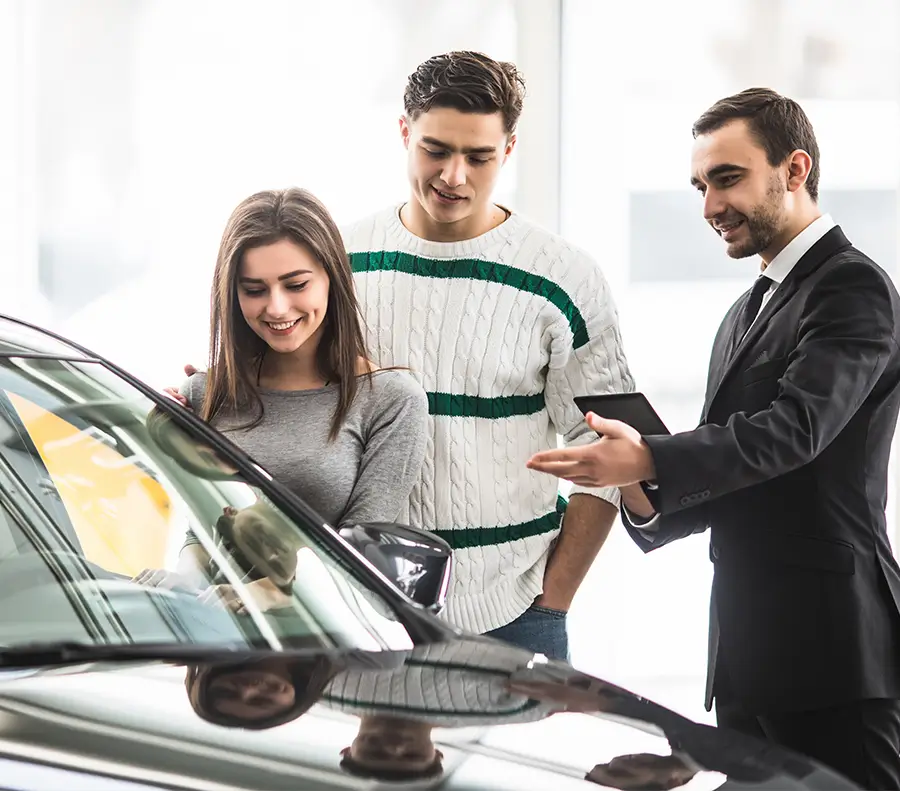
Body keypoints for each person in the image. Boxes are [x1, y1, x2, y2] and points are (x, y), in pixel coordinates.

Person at [526, 87, 900, 788]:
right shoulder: (744, 310)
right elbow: (731, 471)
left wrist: (649, 453)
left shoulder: (853, 288)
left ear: (795, 169)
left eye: (727, 179)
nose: (708, 206)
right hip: (746, 655)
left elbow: (795, 432)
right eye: (701, 185)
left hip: (835, 654)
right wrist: (631, 479)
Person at [341, 51, 634, 660]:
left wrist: (554, 599)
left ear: (509, 148)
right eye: (435, 150)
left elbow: (602, 450)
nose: (454, 176)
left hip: (517, 613)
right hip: (364, 608)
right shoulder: (342, 259)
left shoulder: (563, 276)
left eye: (479, 156)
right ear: (403, 133)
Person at [149, 187, 429, 603]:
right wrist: (185, 580)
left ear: (331, 278)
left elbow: (364, 558)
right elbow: (204, 524)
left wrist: (270, 595)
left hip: (325, 650)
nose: (277, 308)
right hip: (214, 641)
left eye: (295, 284)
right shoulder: (203, 392)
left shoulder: (389, 401)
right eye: (254, 290)